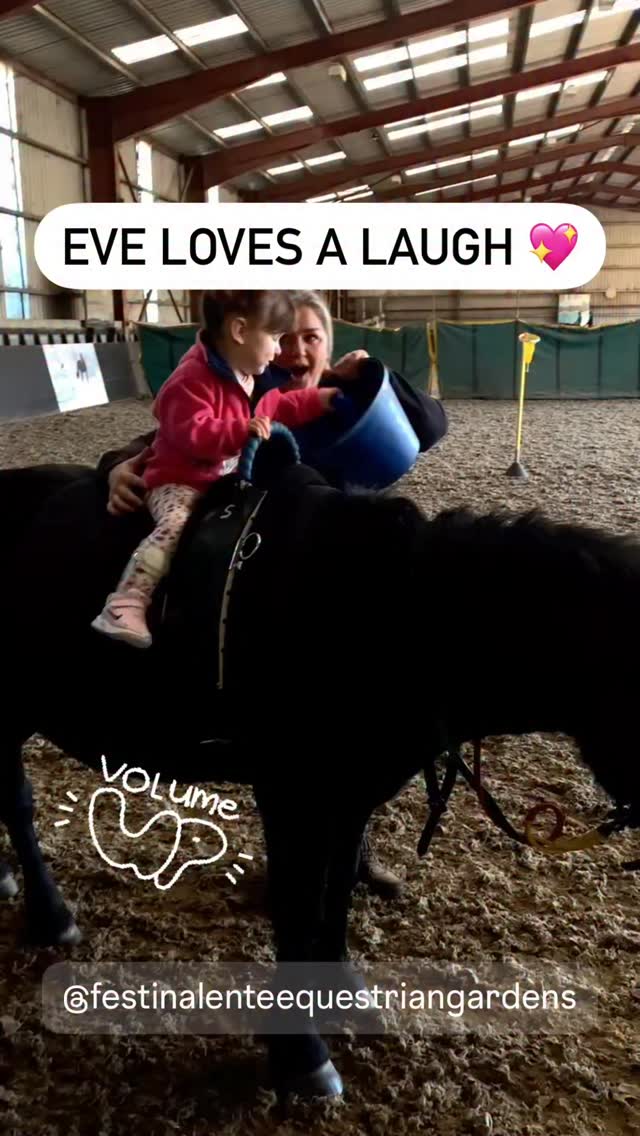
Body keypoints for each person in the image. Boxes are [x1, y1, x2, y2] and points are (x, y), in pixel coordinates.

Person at [91, 290, 338, 648]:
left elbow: (282, 406)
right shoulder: (191, 379)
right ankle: (127, 601)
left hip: (215, 483)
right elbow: (192, 432)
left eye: (309, 338)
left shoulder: (246, 375)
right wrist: (241, 431)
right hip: (178, 482)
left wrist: (323, 398)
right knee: (175, 526)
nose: (278, 350)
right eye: (275, 338)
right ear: (240, 331)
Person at [98, 290, 448, 515]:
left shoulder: (347, 395)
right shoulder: (252, 397)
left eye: (311, 338)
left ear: (328, 345)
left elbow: (432, 425)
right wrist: (115, 467)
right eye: (283, 339)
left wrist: (374, 373)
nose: (295, 350)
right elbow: (170, 436)